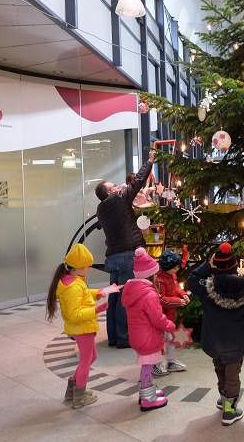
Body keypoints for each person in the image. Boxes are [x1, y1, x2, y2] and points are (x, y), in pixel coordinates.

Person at [188, 243, 244, 426]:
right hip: (235, 342)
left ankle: (224, 398)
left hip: (213, 340)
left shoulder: (207, 287)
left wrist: (207, 265)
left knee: (220, 368)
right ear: (236, 265)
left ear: (217, 265)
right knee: (232, 374)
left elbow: (192, 279)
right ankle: (229, 410)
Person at [95, 148, 158, 348]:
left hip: (112, 259)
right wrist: (149, 161)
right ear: (110, 192)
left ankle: (113, 337)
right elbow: (138, 181)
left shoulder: (102, 208)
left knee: (114, 297)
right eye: (114, 186)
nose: (119, 187)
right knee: (125, 297)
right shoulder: (118, 199)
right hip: (126, 257)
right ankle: (124, 338)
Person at [45, 243, 107, 409]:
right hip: (82, 328)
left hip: (84, 327)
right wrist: (97, 309)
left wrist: (97, 293)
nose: (89, 269)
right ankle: (79, 397)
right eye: (88, 266)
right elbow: (74, 314)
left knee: (92, 357)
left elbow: (83, 294)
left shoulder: (74, 281)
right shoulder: (73, 287)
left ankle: (72, 389)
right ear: (79, 268)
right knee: (86, 361)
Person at [122, 248, 174, 411]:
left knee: (147, 365)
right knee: (148, 366)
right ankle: (147, 398)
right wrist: (170, 325)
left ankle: (147, 390)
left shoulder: (134, 290)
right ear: (150, 275)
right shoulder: (149, 295)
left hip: (138, 336)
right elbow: (157, 318)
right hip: (148, 337)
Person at [152, 248, 189, 376]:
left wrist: (182, 294)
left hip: (170, 315)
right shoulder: (159, 280)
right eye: (175, 268)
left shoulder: (171, 275)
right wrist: (177, 301)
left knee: (170, 339)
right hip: (162, 316)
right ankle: (155, 365)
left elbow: (176, 287)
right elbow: (160, 299)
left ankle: (171, 361)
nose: (177, 270)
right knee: (159, 341)